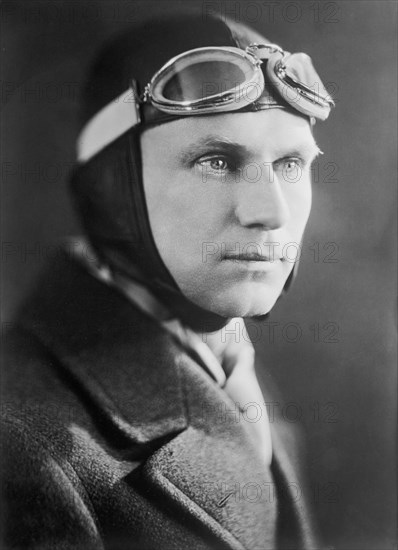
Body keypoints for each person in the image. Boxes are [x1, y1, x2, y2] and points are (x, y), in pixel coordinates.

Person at [1, 13, 334, 550]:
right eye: (216, 160)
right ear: (113, 193)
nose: (270, 211)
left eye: (291, 164)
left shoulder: (227, 359)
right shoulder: (23, 445)